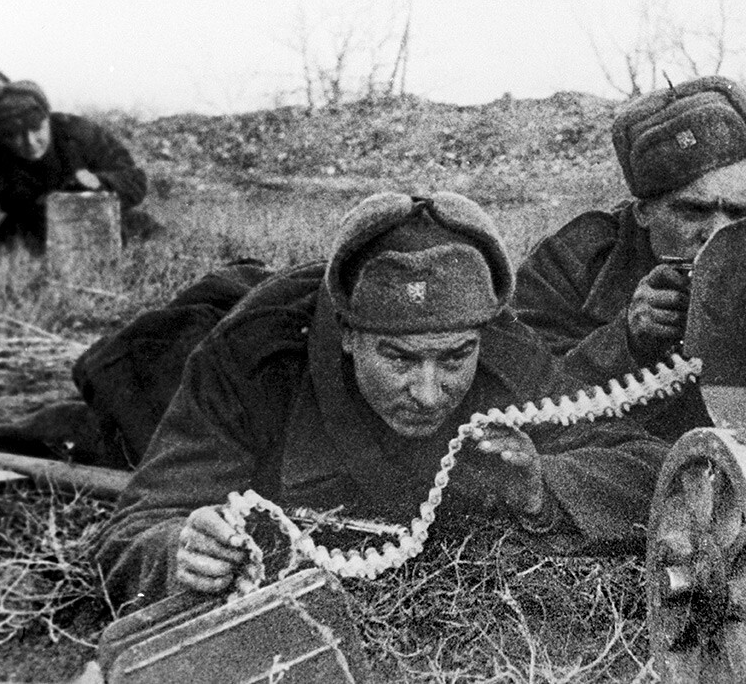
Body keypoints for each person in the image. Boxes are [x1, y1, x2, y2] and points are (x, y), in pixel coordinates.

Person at [93, 192, 668, 608]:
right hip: (209, 334)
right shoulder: (255, 358)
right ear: (347, 332)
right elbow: (134, 528)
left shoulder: (503, 351)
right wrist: (176, 554)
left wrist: (542, 482)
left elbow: (646, 467)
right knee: (122, 411)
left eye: (452, 358)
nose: (427, 392)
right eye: (397, 358)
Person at [514, 75, 746, 437]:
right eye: (693, 211)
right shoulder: (572, 263)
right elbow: (529, 400)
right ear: (643, 212)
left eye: (739, 213)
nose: (715, 234)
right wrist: (627, 339)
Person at [0, 80, 161, 253]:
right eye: (13, 135)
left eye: (36, 129)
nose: (29, 143)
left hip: (105, 224)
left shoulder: (79, 133)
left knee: (148, 236)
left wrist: (100, 182)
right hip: (29, 231)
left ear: (47, 119)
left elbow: (134, 179)